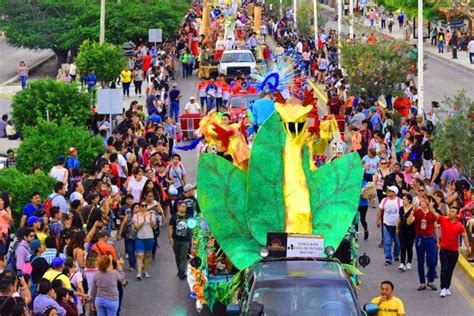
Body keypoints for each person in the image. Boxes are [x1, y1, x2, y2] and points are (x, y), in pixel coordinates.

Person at [427, 205, 470, 297]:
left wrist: (467, 246)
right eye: (450, 211)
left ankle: (447, 287)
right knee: (444, 269)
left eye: (453, 211)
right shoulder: (443, 219)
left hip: (454, 251)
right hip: (444, 250)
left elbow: (464, 235)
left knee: (450, 270)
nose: (450, 213)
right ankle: (442, 288)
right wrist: (429, 206)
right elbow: (434, 214)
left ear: (457, 214)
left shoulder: (460, 225)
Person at [407, 196, 438, 291]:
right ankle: (422, 282)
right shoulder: (417, 212)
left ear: (429, 202)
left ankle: (430, 281)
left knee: (432, 260)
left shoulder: (432, 213)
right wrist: (412, 211)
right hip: (420, 239)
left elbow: (435, 227)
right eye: (422, 200)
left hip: (430, 239)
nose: (422, 202)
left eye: (425, 200)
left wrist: (437, 241)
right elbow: (409, 222)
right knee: (420, 261)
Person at [377, 186, 402, 265]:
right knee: (387, 242)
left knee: (398, 243)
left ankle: (396, 254)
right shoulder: (384, 200)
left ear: (394, 193)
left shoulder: (399, 201)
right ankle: (388, 258)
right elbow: (380, 210)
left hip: (396, 226)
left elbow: (402, 213)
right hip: (386, 224)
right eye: (387, 190)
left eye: (389, 191)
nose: (387, 192)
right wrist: (378, 220)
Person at [169, 200, 192, 279]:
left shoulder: (189, 217)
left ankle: (182, 272)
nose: (184, 208)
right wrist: (170, 237)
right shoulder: (174, 217)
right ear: (178, 207)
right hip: (176, 240)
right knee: (177, 256)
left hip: (186, 240)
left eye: (185, 206)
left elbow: (192, 227)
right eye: (183, 206)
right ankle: (180, 270)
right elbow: (171, 227)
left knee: (183, 256)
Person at [133, 202, 156, 280]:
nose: (144, 207)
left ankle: (145, 271)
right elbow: (136, 227)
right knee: (140, 254)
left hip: (150, 237)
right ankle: (139, 273)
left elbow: (154, 226)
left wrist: (150, 220)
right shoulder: (136, 216)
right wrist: (143, 221)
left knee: (147, 255)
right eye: (142, 206)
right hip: (140, 238)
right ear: (140, 207)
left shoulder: (151, 214)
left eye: (145, 206)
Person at [397, 194, 415, 272]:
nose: (403, 201)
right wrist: (397, 227)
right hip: (402, 229)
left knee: (409, 246)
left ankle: (409, 262)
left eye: (404, 199)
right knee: (402, 246)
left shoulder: (413, 209)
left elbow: (412, 220)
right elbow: (399, 218)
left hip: (411, 230)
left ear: (409, 200)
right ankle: (402, 263)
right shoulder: (401, 208)